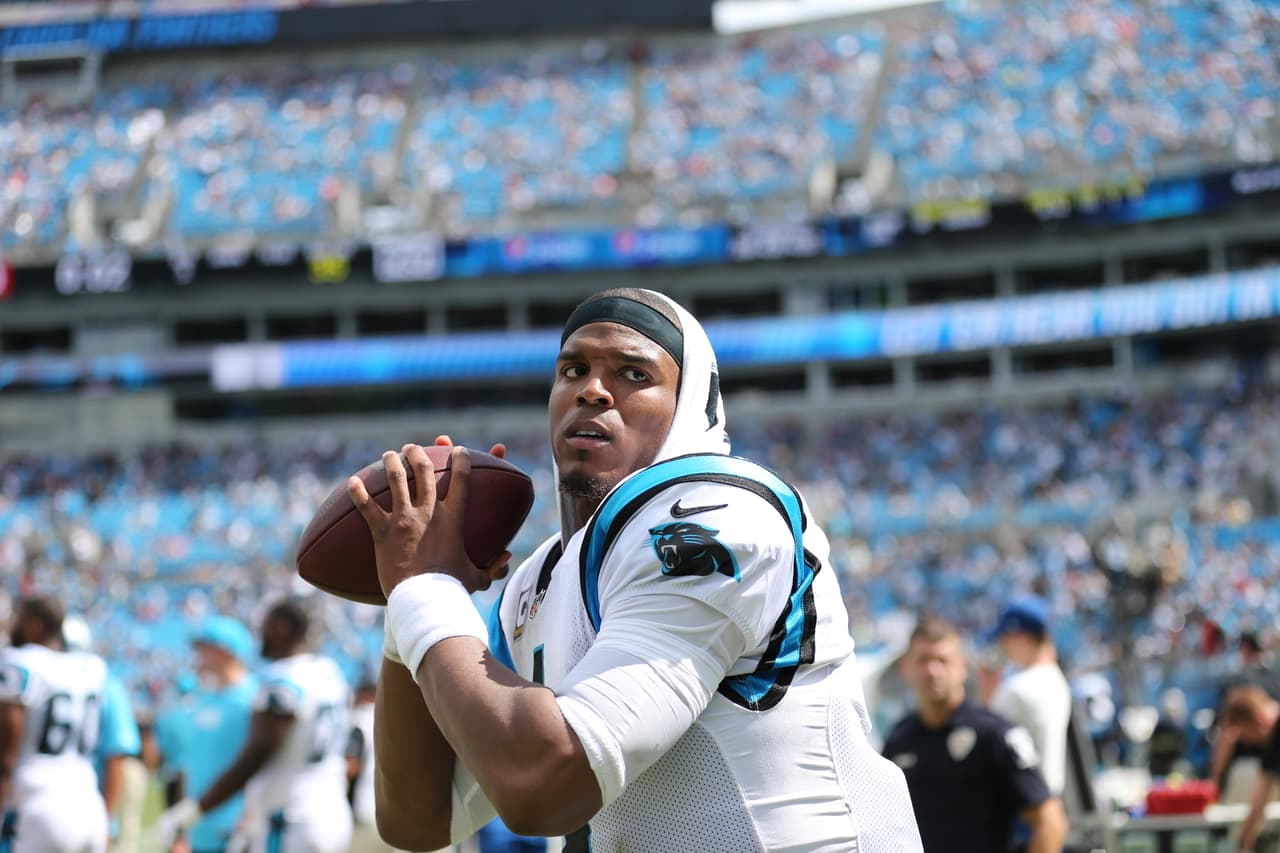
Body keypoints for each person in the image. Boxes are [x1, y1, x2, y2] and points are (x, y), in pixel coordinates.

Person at [357, 288, 923, 852]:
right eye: (573, 370)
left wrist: (424, 590)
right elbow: (419, 819)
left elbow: (544, 784)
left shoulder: (716, 514)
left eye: (633, 374)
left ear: (690, 405)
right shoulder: (537, 579)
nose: (592, 390)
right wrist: (407, 605)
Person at [157, 600, 352, 853]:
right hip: (330, 808)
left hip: (290, 819)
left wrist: (194, 811)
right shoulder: (328, 671)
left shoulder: (279, 682)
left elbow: (255, 756)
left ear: (282, 628)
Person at [883, 616, 1068, 853]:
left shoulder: (994, 734)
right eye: (923, 660)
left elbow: (1050, 820)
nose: (932, 671)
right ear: (905, 668)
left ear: (962, 667)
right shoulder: (898, 741)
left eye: (942, 660)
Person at [0, 595, 139, 853]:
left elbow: (7, 750)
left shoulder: (19, 663)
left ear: (35, 624)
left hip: (36, 803)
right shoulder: (95, 670)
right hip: (88, 805)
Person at [168, 616, 260, 853]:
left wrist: (250, 819)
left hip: (239, 831)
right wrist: (182, 827)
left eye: (204, 647)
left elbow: (259, 764)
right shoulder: (203, 699)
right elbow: (190, 767)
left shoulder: (254, 698)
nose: (197, 654)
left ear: (224, 650)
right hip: (200, 832)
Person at [986, 595, 1073, 798]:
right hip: (1048, 797)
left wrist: (986, 692)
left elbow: (985, 745)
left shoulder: (1017, 689)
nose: (1002, 645)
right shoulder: (1056, 680)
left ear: (1021, 638)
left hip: (1022, 800)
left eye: (1005, 638)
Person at [1219, 685, 1279, 852]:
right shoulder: (1271, 745)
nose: (1247, 742)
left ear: (1259, 721)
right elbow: (1260, 798)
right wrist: (1244, 841)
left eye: (1245, 734)